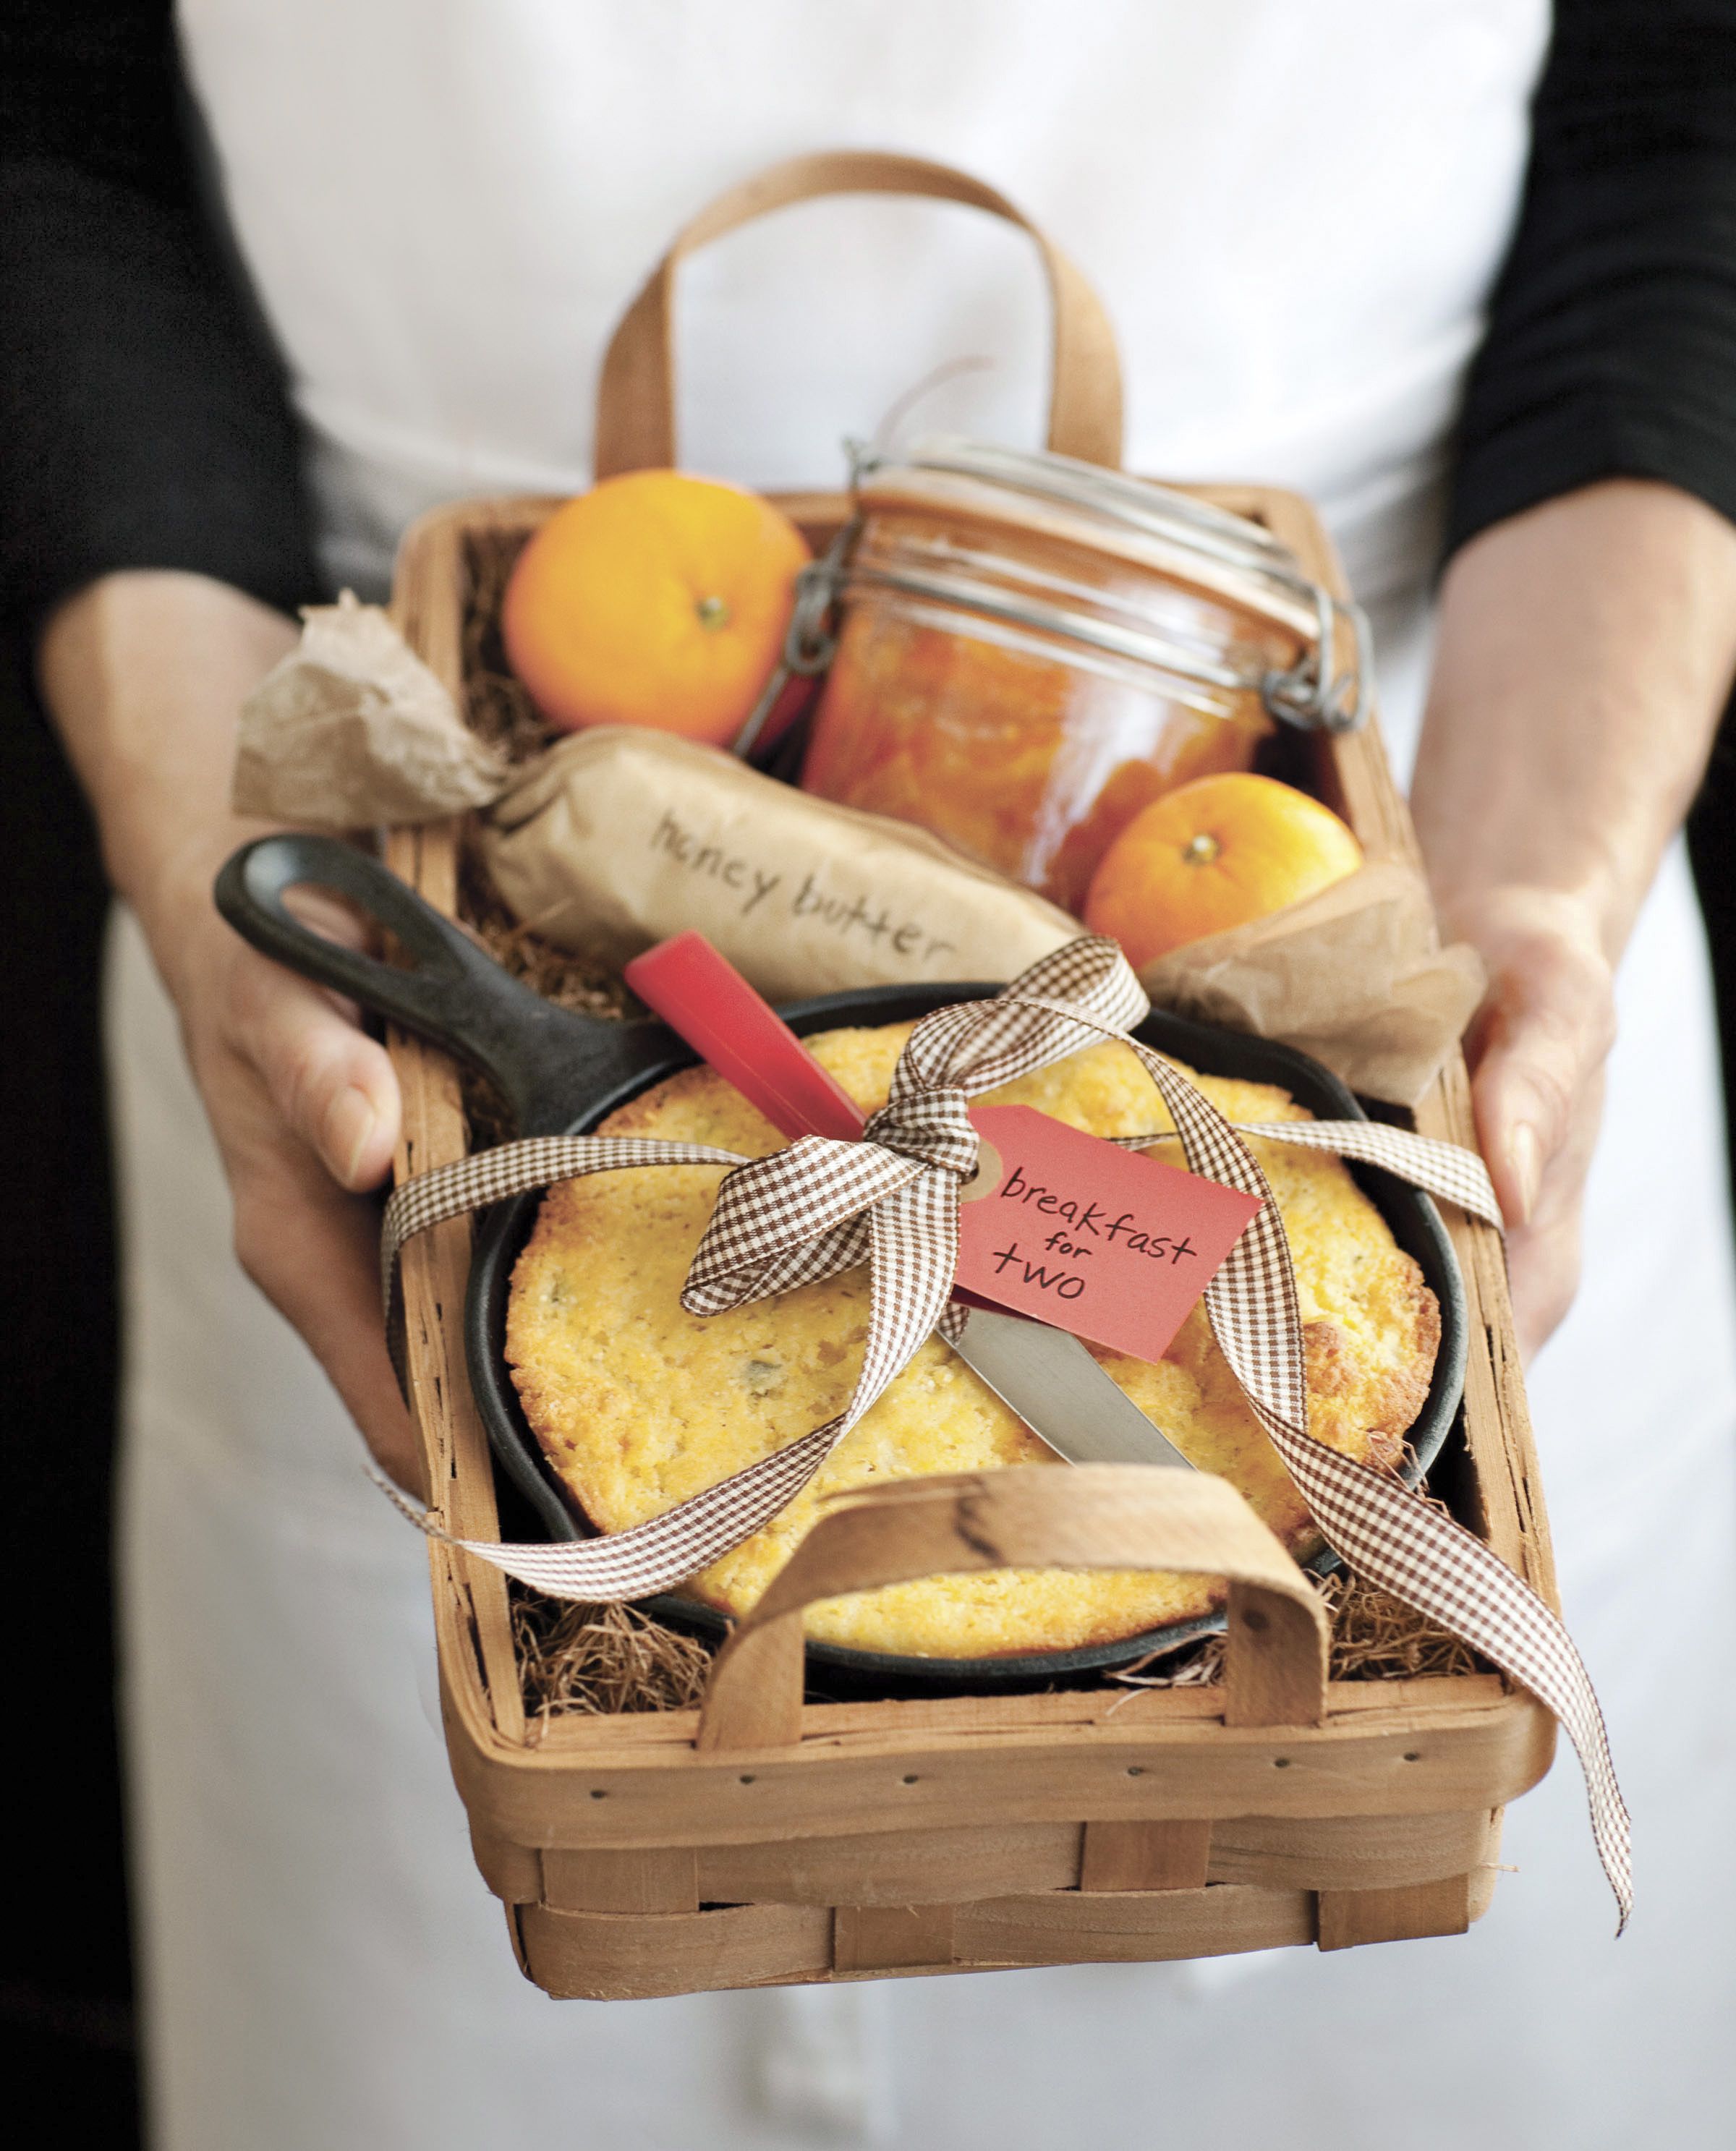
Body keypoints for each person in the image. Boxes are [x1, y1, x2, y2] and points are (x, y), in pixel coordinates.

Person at [6, 2, 1735, 2146]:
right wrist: (201, 843)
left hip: (1423, 807)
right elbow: (55, 135)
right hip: (360, 770)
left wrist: (1540, 889)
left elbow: (1681, 128)